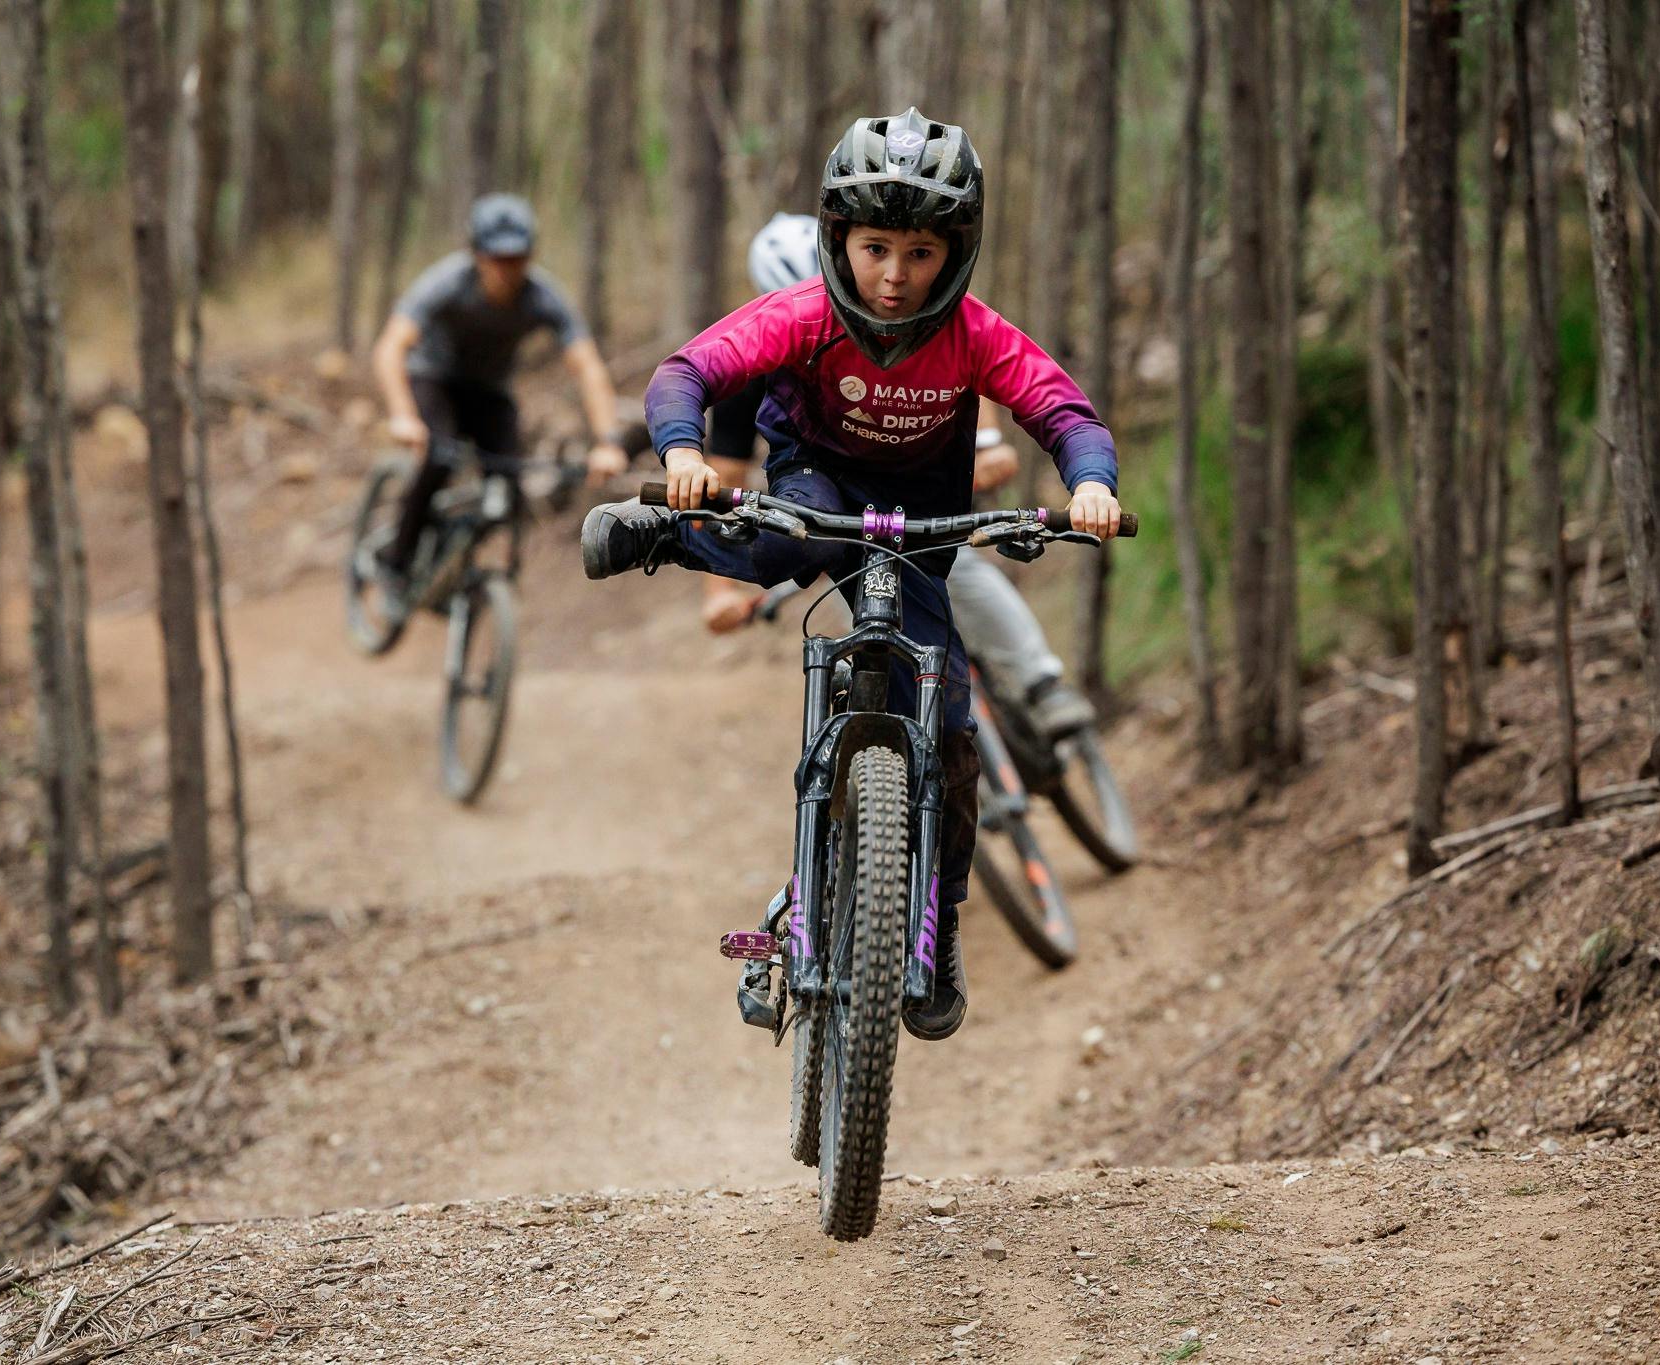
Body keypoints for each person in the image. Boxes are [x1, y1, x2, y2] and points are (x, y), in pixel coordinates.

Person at [581, 109, 1122, 1041]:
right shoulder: (806, 315)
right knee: (784, 546)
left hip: (923, 520)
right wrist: (680, 452)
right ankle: (662, 538)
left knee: (951, 728)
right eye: (876, 248)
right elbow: (687, 373)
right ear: (840, 240)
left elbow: (1065, 411)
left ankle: (937, 924)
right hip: (818, 482)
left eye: (919, 252)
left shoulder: (977, 335)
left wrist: (1092, 485)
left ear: (956, 252)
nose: (896, 275)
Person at [705, 216, 1098, 739]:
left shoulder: (923, 328)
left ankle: (1039, 682)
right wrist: (718, 592)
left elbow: (955, 381)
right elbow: (720, 481)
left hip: (919, 487)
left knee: (961, 574)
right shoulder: (759, 357)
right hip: (829, 508)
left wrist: (988, 446)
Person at [370, 193, 629, 602]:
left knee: (509, 485)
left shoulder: (544, 296)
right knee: (438, 457)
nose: (508, 270)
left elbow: (588, 367)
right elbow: (390, 348)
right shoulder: (446, 283)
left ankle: (468, 570)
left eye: (518, 258)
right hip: (432, 378)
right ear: (477, 254)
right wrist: (403, 416)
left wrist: (608, 442)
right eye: (498, 258)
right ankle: (395, 561)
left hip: (488, 390)